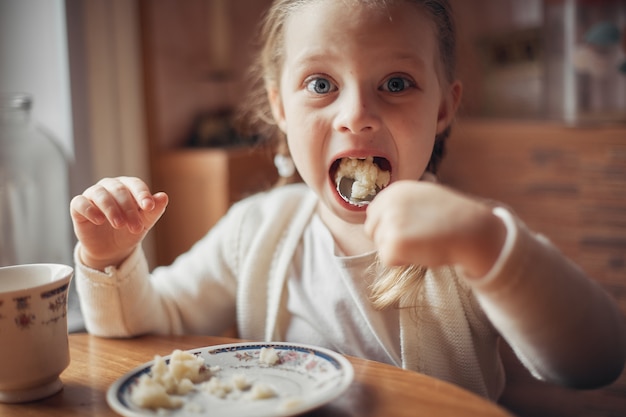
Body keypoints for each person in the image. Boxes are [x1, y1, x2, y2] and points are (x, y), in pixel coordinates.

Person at [70, 0, 625, 401]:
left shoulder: (461, 239)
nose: (356, 114)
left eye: (397, 82)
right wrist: (110, 259)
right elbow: (149, 325)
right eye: (320, 84)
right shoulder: (255, 230)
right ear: (281, 107)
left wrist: (490, 244)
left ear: (441, 109)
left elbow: (595, 360)